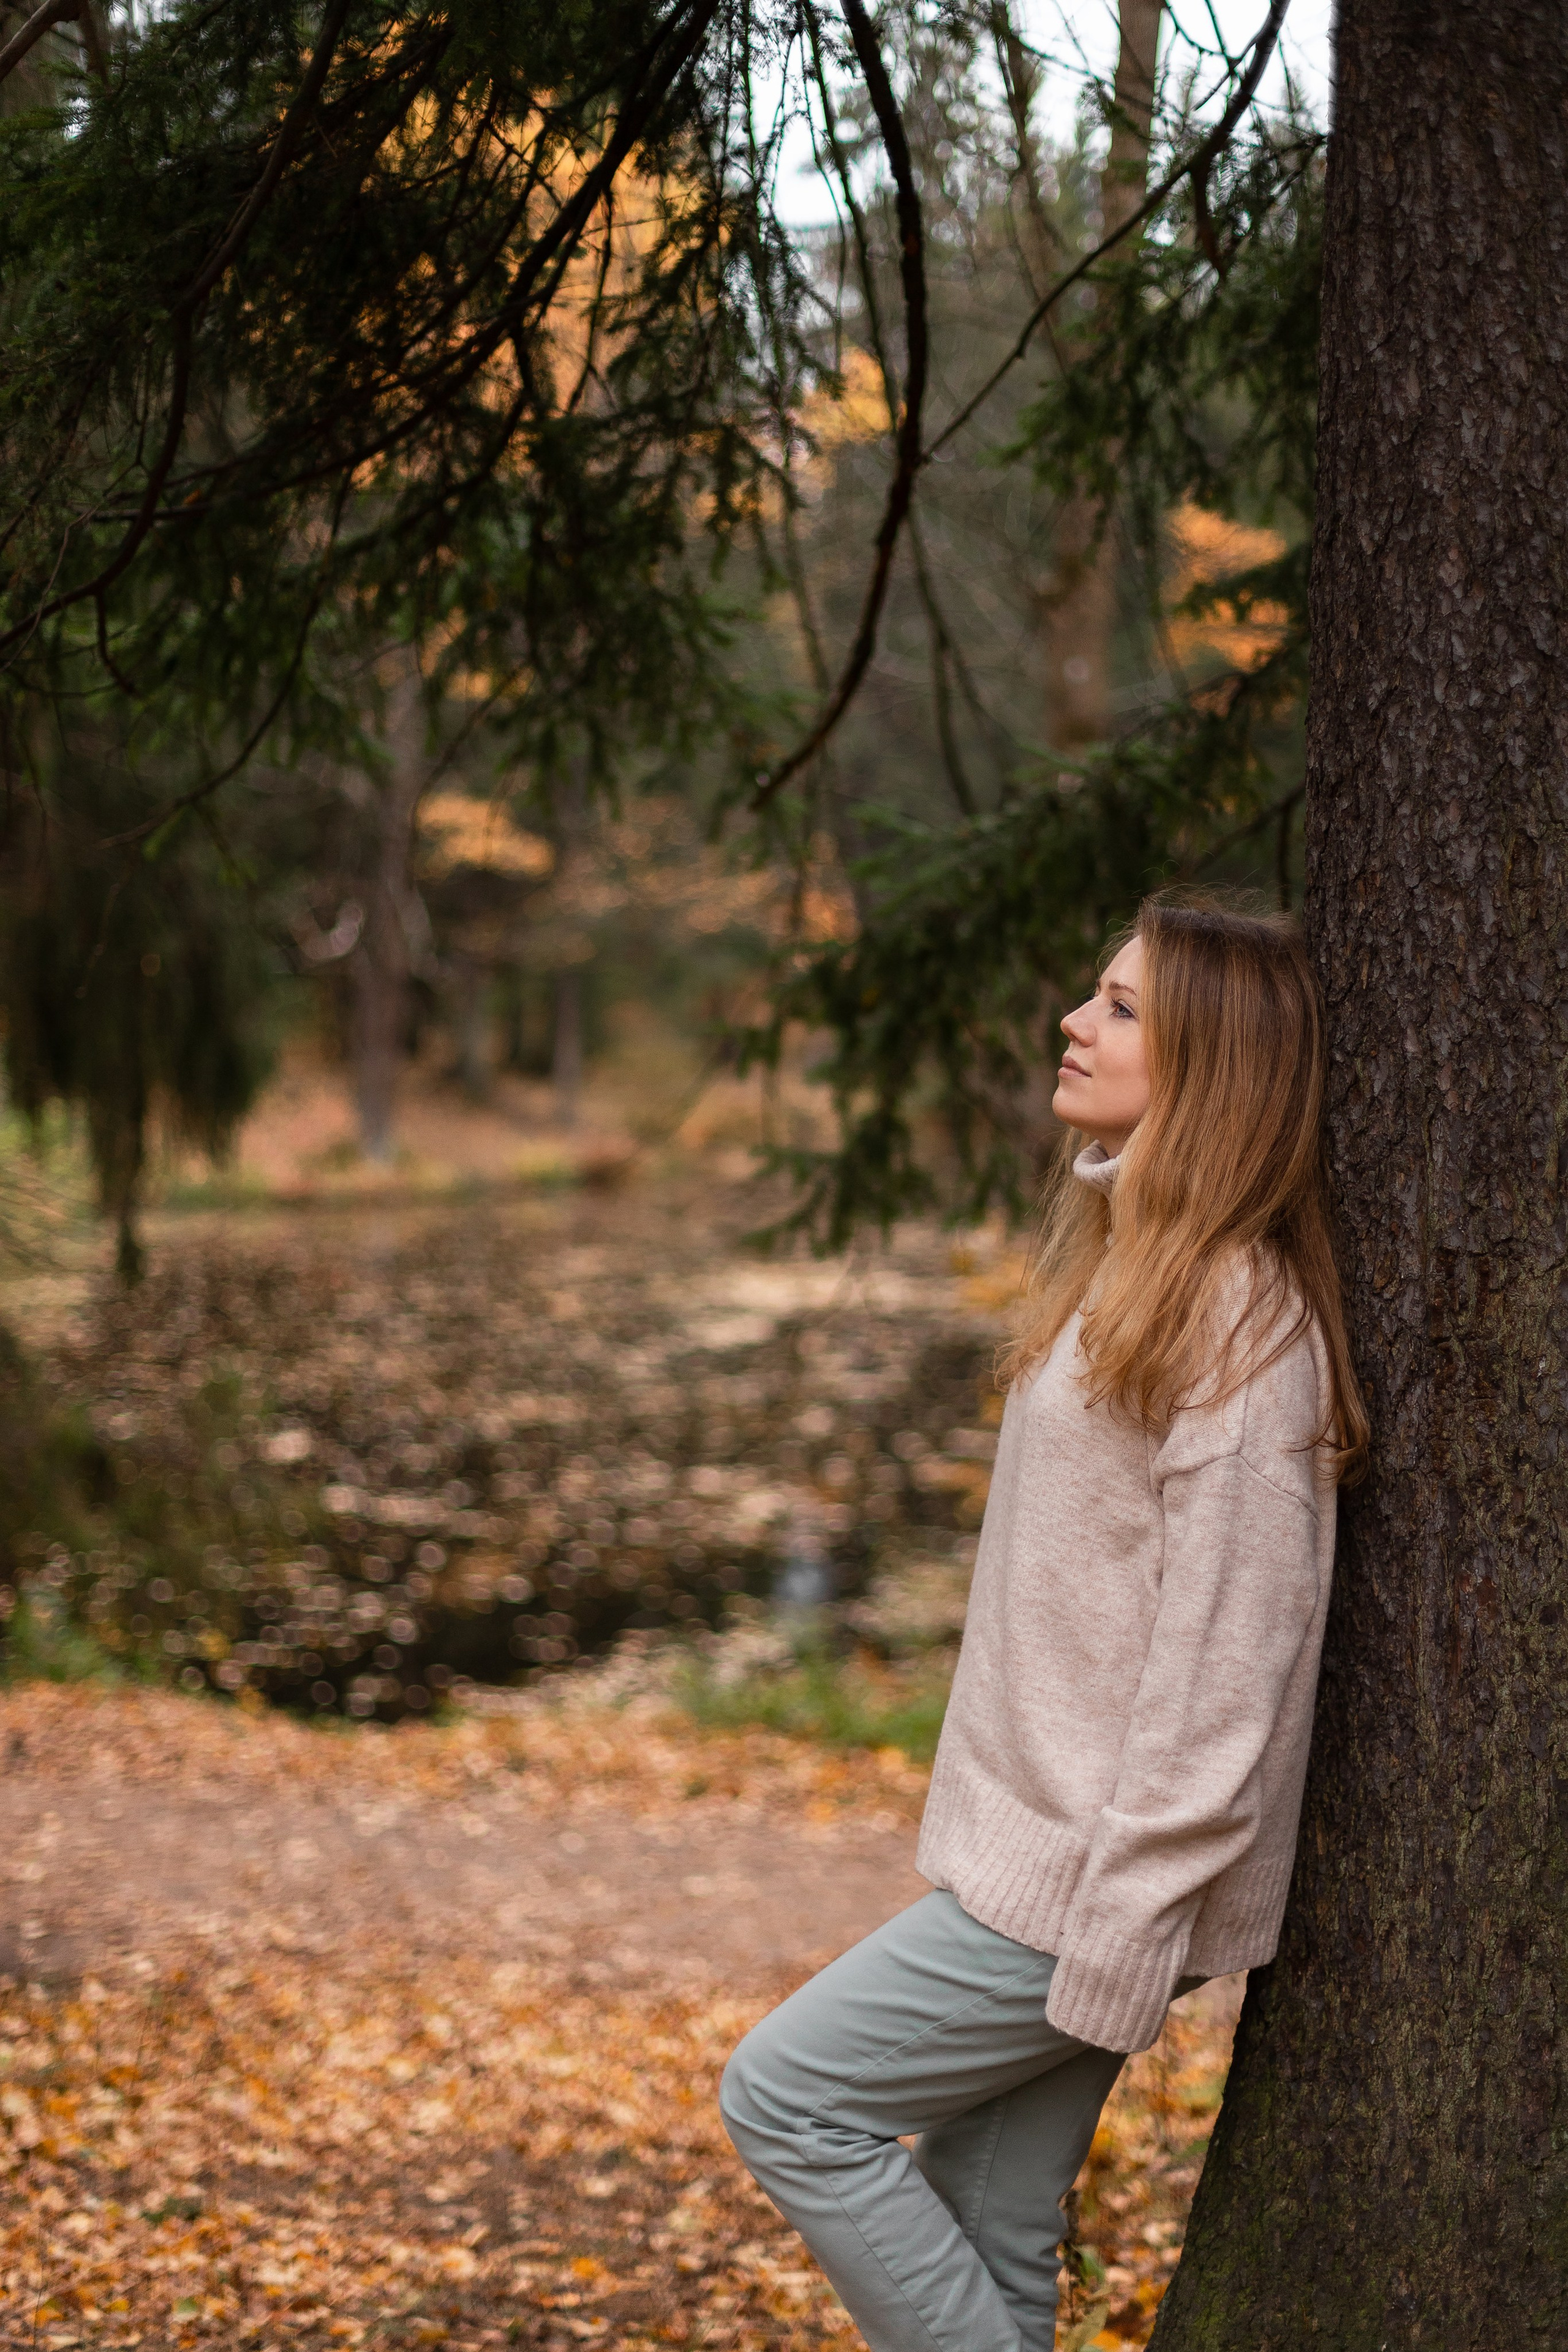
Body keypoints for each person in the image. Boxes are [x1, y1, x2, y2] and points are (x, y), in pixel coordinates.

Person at [718, 897, 1368, 2352]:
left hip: (1089, 1885)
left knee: (785, 2096)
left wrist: (1124, 1934)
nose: (1075, 1024)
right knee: (985, 2218)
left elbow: (1229, 1670)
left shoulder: (1238, 1324)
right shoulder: (1134, 1269)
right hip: (1044, 1859)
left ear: (1218, 1063)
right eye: (1094, 995)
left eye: (1123, 1009)